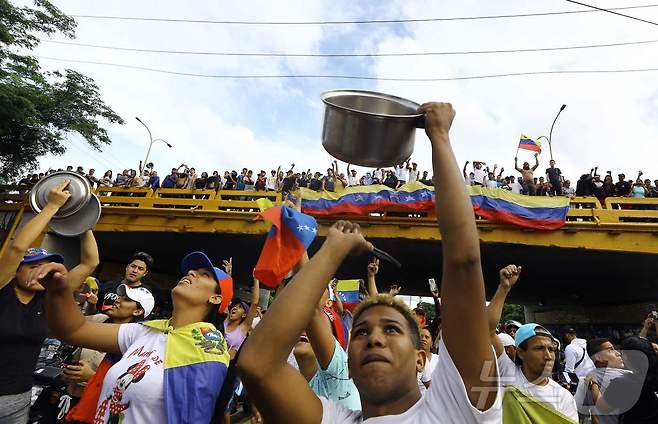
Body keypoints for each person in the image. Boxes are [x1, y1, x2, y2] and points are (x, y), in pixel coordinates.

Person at [238, 102, 501, 423]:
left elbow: (464, 263)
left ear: (421, 359)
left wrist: (440, 137)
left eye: (391, 329)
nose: (374, 338)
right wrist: (332, 251)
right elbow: (257, 366)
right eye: (360, 333)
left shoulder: (460, 406)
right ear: (347, 363)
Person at [36, 250, 234, 424]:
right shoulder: (146, 331)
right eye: (192, 271)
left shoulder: (209, 352)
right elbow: (72, 330)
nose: (191, 273)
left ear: (215, 298)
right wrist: (59, 289)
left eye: (204, 275)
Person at [0, 181, 99, 424]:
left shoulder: (47, 297)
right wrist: (52, 206)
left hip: (18, 400)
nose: (40, 272)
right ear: (17, 270)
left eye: (45, 267)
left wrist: (80, 216)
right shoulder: (3, 287)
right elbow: (17, 248)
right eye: (33, 267)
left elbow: (90, 262)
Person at [487, 264, 578, 421]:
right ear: (521, 352)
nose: (548, 356)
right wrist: (504, 288)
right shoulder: (508, 374)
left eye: (551, 349)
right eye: (539, 348)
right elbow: (487, 329)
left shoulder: (563, 397)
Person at [593, 336, 658, 423]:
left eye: (622, 353)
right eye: (610, 350)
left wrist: (592, 383)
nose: (618, 354)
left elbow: (602, 407)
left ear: (628, 357)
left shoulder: (623, 383)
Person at [573, 338, 628, 424]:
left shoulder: (587, 380)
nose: (618, 353)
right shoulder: (633, 376)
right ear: (599, 357)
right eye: (611, 350)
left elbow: (578, 413)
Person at [418, 327, 439, 393]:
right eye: (421, 337)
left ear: (432, 343)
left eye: (426, 337)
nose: (423, 339)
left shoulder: (439, 360)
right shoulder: (412, 358)